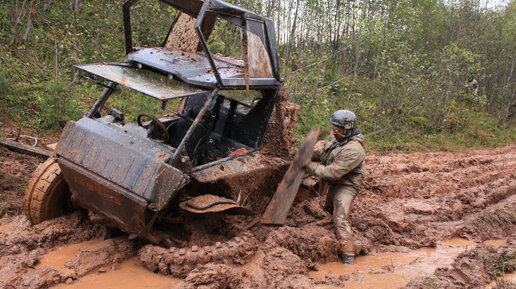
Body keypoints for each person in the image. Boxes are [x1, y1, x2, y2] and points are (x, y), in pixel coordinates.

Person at [304, 110, 365, 265]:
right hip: (335, 181)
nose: (334, 132)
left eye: (338, 130)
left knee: (340, 218)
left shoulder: (354, 149)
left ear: (348, 129)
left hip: (347, 185)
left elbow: (332, 173)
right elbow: (325, 153)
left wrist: (308, 165)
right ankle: (330, 236)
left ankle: (348, 256)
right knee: (329, 209)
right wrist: (307, 154)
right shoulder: (337, 137)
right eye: (333, 129)